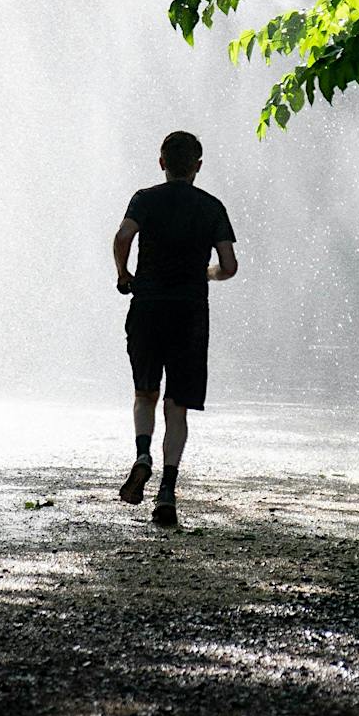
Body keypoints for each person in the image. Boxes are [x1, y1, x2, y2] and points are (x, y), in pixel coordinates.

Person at [112, 129, 238, 527]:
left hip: (147, 306)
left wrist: (123, 273)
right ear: (197, 166)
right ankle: (167, 489)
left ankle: (142, 455)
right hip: (189, 313)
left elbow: (123, 236)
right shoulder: (212, 207)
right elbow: (229, 266)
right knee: (177, 405)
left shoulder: (144, 199)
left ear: (162, 162)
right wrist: (208, 274)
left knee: (145, 392)